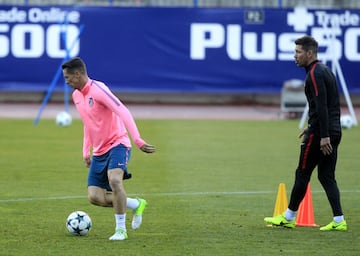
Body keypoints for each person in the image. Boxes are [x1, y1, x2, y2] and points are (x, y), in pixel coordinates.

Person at [62, 57, 156, 240]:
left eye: (68, 78)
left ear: (77, 74)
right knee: (95, 197)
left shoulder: (99, 90)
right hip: (99, 150)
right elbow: (87, 123)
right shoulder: (76, 95)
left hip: (118, 143)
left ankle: (121, 230)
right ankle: (136, 204)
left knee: (114, 180)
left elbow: (123, 111)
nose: (66, 81)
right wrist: (85, 150)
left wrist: (137, 139)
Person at [264, 36, 347, 231]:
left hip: (322, 135)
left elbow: (322, 105)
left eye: (298, 52)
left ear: (310, 53)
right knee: (326, 176)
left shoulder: (315, 74)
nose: (295, 56)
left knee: (302, 172)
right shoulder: (326, 70)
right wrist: (313, 127)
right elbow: (328, 106)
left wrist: (321, 134)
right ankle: (338, 220)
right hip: (334, 131)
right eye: (295, 52)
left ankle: (289, 216)